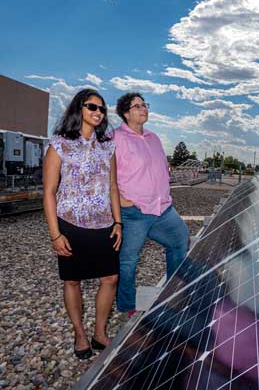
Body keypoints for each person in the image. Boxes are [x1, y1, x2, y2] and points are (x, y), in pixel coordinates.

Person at [43, 89, 122, 360]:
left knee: (110, 278)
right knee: (72, 281)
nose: (98, 112)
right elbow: (49, 192)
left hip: (102, 225)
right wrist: (55, 234)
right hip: (70, 224)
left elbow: (113, 187)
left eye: (102, 109)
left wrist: (118, 222)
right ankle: (79, 333)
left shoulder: (107, 147)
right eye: (92, 107)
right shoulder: (59, 145)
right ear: (79, 109)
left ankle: (100, 333)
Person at [112, 92, 189, 317]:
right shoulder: (114, 138)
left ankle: (173, 292)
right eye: (137, 106)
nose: (143, 109)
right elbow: (105, 174)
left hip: (162, 209)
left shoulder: (153, 138)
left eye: (145, 105)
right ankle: (127, 306)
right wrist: (123, 202)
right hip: (134, 212)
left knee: (180, 240)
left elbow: (160, 167)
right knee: (128, 261)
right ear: (125, 113)